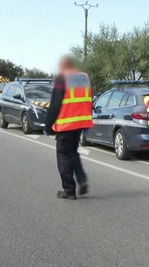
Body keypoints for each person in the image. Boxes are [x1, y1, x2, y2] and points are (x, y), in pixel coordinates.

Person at [45, 55, 93, 200]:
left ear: (64, 65)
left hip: (66, 124)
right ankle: (82, 179)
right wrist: (87, 121)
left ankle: (69, 190)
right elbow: (90, 99)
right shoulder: (84, 78)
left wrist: (48, 126)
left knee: (64, 157)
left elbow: (55, 104)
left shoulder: (62, 78)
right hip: (80, 123)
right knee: (73, 153)